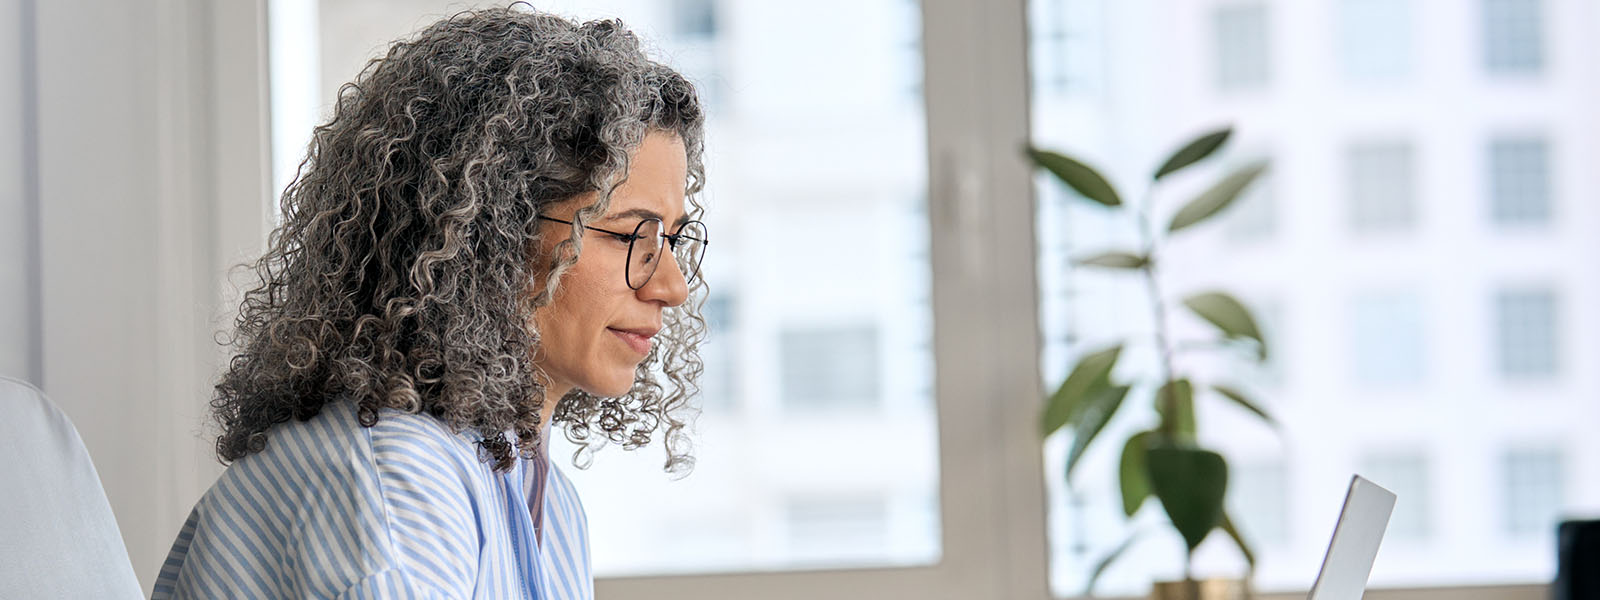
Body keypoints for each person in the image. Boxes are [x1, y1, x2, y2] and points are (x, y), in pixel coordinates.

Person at [151, 6, 708, 598]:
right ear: (484, 237)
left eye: (671, 239)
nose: (671, 286)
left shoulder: (541, 498)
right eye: (629, 235)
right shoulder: (397, 485)